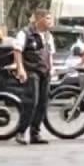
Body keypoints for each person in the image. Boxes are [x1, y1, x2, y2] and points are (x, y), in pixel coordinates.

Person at [13, 9, 55, 145]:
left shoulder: (49, 36)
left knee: (43, 104)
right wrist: (20, 69)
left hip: (45, 72)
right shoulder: (25, 33)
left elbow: (50, 54)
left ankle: (35, 133)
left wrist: (52, 69)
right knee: (32, 102)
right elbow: (18, 50)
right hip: (31, 71)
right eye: (48, 18)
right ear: (40, 19)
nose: (50, 21)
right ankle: (20, 132)